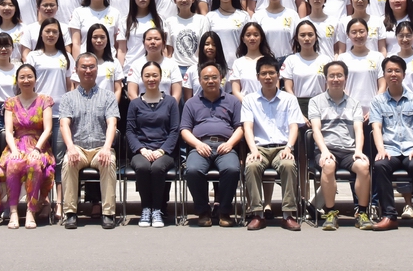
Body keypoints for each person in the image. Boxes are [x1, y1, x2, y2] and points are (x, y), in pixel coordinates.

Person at [369, 55, 413, 231]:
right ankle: (389, 216)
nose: (393, 74)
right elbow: (376, 127)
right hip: (389, 149)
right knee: (380, 165)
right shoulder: (377, 101)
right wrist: (381, 149)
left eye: (397, 71)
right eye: (389, 71)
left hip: (411, 148)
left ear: (404, 74)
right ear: (384, 74)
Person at [58, 53, 121, 229]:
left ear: (97, 69)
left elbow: (112, 123)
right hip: (78, 147)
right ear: (76, 70)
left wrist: (107, 148)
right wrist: (70, 148)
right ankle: (70, 212)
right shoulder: (68, 98)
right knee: (68, 162)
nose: (88, 70)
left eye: (92, 67)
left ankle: (108, 213)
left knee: (109, 162)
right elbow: (64, 124)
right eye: (84, 67)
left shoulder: (108, 96)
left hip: (101, 147)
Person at [241, 57, 303, 231]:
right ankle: (257, 214)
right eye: (263, 74)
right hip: (259, 147)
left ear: (278, 75)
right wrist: (253, 150)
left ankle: (288, 214)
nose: (268, 77)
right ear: (257, 76)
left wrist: (289, 147)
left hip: (282, 147)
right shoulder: (250, 99)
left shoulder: (289, 99)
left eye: (271, 73)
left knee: (288, 165)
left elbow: (294, 127)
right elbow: (247, 127)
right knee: (251, 165)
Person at [309, 60, 372, 230]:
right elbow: (316, 130)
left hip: (349, 150)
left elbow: (358, 129)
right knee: (328, 165)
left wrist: (358, 150)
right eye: (332, 76)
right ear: (326, 78)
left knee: (363, 166)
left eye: (339, 75)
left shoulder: (354, 103)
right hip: (327, 149)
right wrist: (324, 151)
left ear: (346, 78)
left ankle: (362, 213)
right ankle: (331, 213)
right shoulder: (315, 102)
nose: (335, 79)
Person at [0, 63, 55, 229]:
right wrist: (13, 150)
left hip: (38, 144)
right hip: (17, 144)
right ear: (17, 80)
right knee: (13, 164)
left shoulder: (45, 100)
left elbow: (48, 129)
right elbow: (8, 131)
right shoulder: (10, 102)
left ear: (35, 79)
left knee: (35, 164)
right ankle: (13, 212)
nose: (26, 80)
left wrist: (37, 149)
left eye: (29, 77)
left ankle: (30, 211)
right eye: (22, 77)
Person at [180, 62, 244, 227]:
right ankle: (203, 211)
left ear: (221, 78)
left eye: (214, 77)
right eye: (206, 78)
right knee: (193, 170)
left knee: (232, 169)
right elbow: (185, 130)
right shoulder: (191, 103)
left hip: (225, 145)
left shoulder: (233, 101)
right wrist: (197, 144)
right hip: (200, 145)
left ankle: (224, 211)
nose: (210, 81)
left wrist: (230, 144)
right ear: (200, 80)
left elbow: (240, 127)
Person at [127, 60, 181, 228]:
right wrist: (141, 149)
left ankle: (157, 209)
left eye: (155, 75)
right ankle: (146, 208)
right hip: (141, 150)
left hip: (164, 151)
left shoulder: (171, 102)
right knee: (143, 167)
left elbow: (174, 130)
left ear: (161, 77)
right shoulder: (135, 103)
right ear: (142, 78)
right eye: (147, 76)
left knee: (157, 168)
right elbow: (130, 131)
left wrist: (162, 150)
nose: (151, 79)